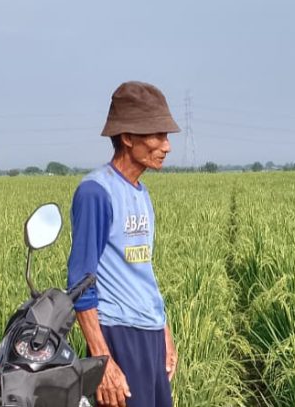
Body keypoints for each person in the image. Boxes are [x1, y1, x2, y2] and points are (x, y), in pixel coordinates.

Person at [67, 81, 179, 407]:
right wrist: (102, 362)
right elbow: (80, 281)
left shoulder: (141, 193)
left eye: (166, 136)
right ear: (128, 138)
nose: (166, 146)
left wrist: (164, 334)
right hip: (118, 333)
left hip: (149, 334)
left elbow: (143, 270)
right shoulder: (96, 192)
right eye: (157, 135)